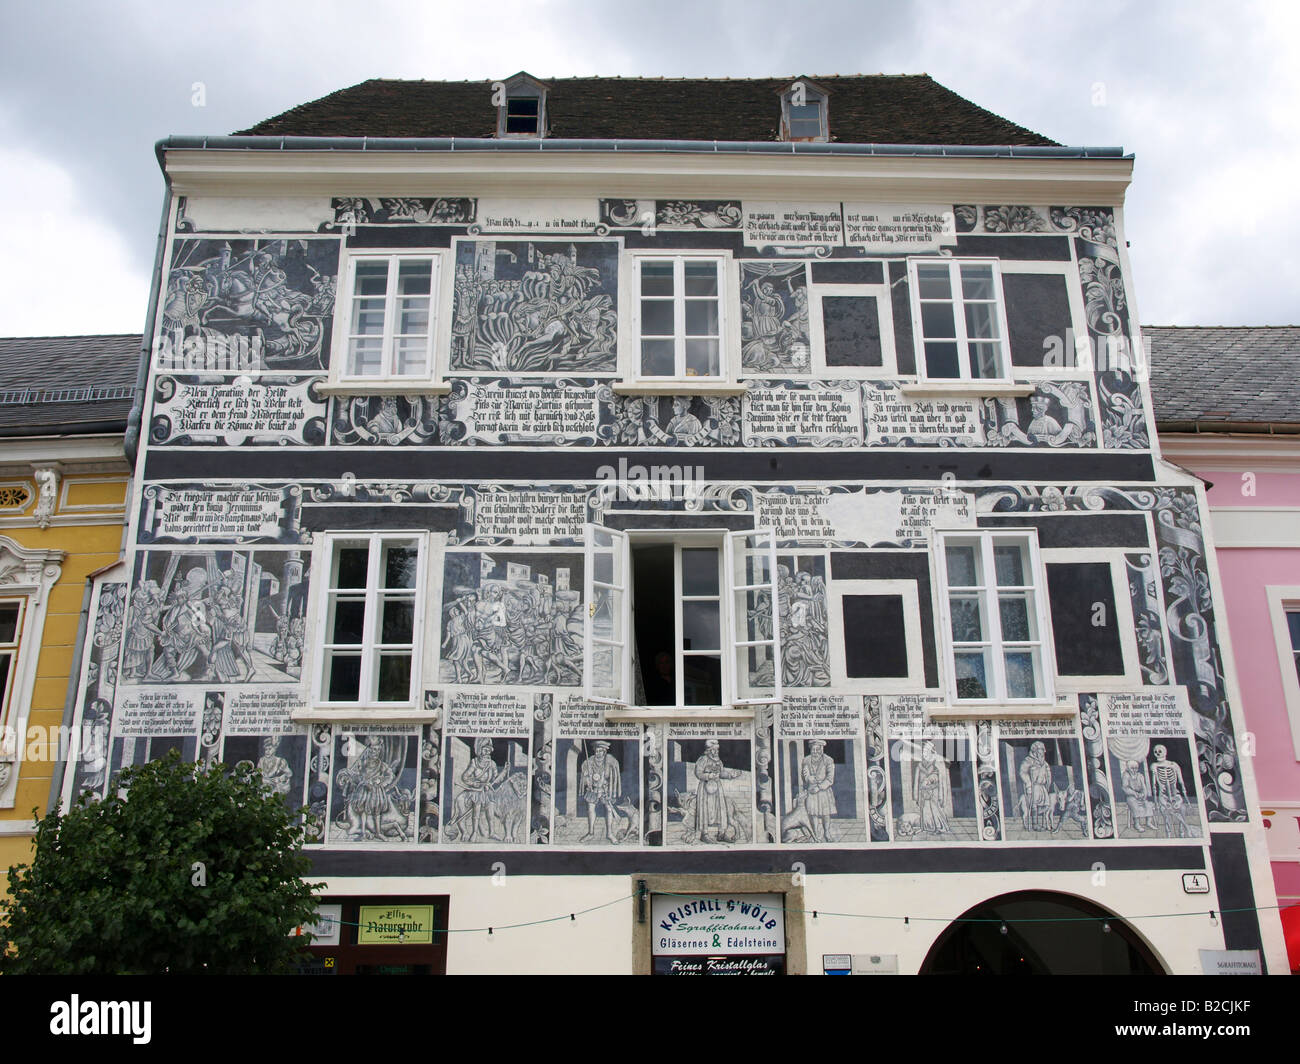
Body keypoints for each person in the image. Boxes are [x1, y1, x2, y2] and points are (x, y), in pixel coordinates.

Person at [693, 738, 741, 843]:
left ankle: (721, 833)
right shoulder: (703, 759)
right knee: (705, 810)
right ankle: (704, 834)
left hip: (717, 788)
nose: (715, 752)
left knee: (721, 810)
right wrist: (709, 775)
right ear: (708, 750)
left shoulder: (719, 761)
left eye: (717, 750)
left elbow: (721, 773)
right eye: (713, 750)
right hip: (705, 788)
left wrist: (730, 775)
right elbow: (698, 773)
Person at [578, 740, 623, 843]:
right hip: (592, 789)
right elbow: (585, 776)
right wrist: (587, 779)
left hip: (605, 790)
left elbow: (613, 777)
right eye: (596, 751)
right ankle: (590, 833)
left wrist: (606, 785)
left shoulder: (610, 762)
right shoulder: (589, 762)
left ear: (604, 752)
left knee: (609, 809)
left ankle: (610, 834)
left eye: (600, 751)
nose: (598, 753)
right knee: (590, 808)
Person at [799, 739, 837, 842]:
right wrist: (807, 778)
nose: (815, 752)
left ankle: (827, 833)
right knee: (813, 813)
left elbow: (830, 779)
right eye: (813, 750)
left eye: (817, 750)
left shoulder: (828, 760)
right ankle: (816, 834)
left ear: (821, 750)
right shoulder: (806, 760)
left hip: (824, 790)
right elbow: (804, 775)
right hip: (811, 790)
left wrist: (819, 787)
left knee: (825, 814)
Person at [1150, 745, 1191, 837]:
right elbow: (1154, 785)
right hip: (1163, 794)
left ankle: (1181, 830)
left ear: (1165, 752)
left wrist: (1186, 799)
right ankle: (1168, 832)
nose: (1157, 753)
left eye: (1159, 751)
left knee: (1182, 808)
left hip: (1174, 793)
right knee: (1164, 810)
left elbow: (1181, 782)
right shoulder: (1154, 766)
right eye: (1155, 751)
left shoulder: (1173, 765)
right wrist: (1156, 801)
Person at [913, 739, 951, 834]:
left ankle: (940, 827)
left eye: (926, 751)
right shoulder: (919, 766)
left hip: (934, 792)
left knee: (935, 809)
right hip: (923, 792)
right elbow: (916, 782)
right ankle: (926, 827)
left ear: (931, 752)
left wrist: (930, 780)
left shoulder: (936, 764)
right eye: (922, 751)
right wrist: (916, 795)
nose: (923, 753)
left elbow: (940, 779)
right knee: (924, 809)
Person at [1018, 741, 1052, 832]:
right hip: (1034, 786)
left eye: (1042, 750)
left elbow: (1048, 773)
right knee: (1034, 805)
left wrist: (1048, 782)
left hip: (1042, 786)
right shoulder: (1028, 760)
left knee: (1046, 805)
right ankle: (1035, 825)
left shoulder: (1044, 763)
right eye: (1039, 750)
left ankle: (1042, 823)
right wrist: (1028, 784)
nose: (1041, 753)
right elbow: (1022, 772)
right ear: (1035, 751)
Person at [1121, 759, 1154, 833]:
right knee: (1134, 805)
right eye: (1132, 768)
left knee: (1148, 805)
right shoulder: (1125, 775)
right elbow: (1125, 787)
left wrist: (1143, 794)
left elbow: (1144, 787)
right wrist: (1134, 793)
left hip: (1140, 795)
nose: (1134, 770)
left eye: (1136, 768)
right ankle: (1137, 824)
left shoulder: (1140, 776)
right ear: (1128, 768)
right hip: (1131, 796)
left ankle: (1148, 822)